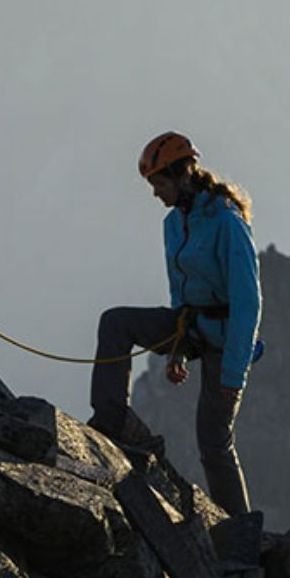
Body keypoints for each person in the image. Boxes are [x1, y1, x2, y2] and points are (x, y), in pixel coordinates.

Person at [90, 131, 263, 515]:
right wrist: (178, 349)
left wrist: (233, 376)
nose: (155, 193)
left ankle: (240, 532)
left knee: (214, 442)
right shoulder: (174, 223)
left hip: (225, 339)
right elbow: (179, 291)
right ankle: (111, 418)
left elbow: (248, 304)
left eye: (159, 183)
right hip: (191, 325)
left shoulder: (226, 222)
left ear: (182, 175)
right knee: (115, 324)